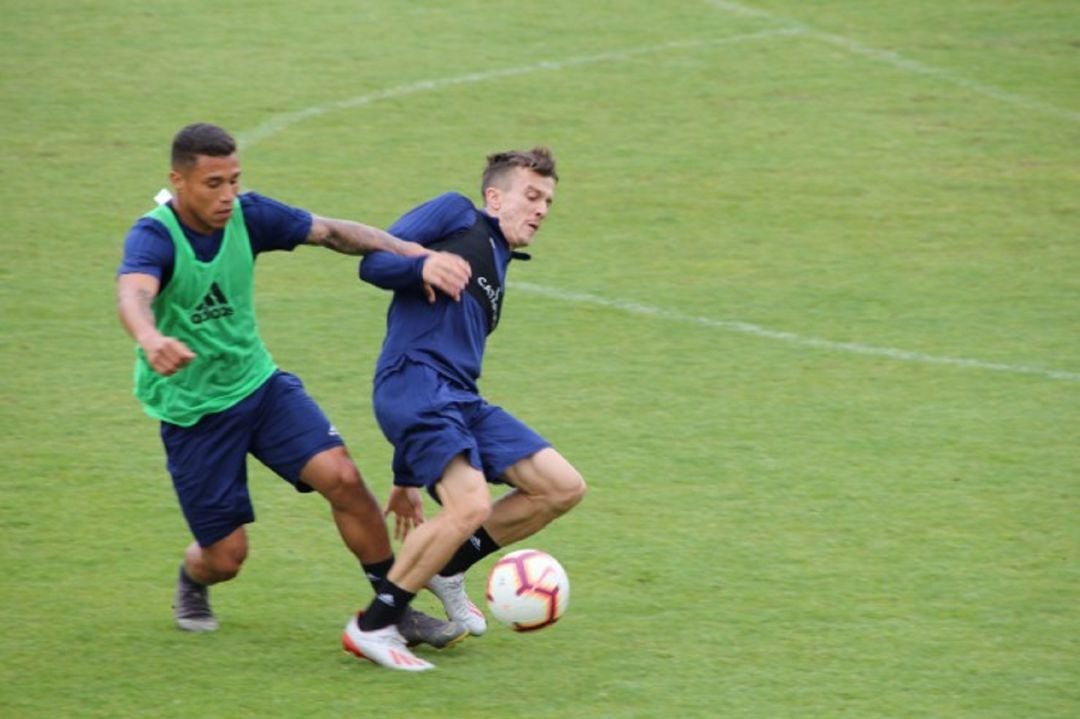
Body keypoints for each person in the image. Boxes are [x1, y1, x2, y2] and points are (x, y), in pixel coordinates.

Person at [115, 122, 473, 650]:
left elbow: (331, 232)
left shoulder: (248, 214)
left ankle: (392, 610)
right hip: (194, 412)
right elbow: (133, 294)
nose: (227, 195)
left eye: (234, 180)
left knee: (344, 477)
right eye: (213, 183)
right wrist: (149, 337)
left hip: (260, 387)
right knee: (226, 557)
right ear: (178, 179)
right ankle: (193, 578)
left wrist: (414, 254)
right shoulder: (154, 235)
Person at [342, 147, 587, 671]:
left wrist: (406, 477)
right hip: (415, 382)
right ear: (494, 196)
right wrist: (423, 263)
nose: (542, 209)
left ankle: (447, 565)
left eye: (547, 200)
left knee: (561, 486)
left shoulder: (499, 262)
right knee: (470, 505)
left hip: (458, 397)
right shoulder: (456, 214)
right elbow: (374, 261)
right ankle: (375, 624)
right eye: (531, 196)